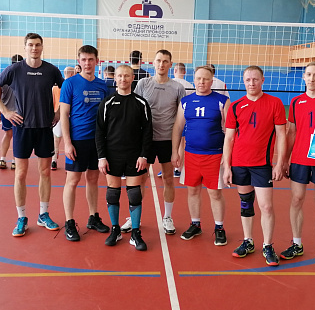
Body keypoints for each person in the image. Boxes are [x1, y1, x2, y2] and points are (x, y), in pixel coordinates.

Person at [0, 33, 64, 237]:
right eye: (30, 45)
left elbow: (66, 90)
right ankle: (21, 217)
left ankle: (43, 214)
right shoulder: (15, 69)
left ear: (42, 47)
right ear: (25, 47)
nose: (34, 48)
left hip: (44, 127)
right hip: (22, 128)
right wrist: (5, 111)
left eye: (37, 45)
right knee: (20, 173)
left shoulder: (51, 70)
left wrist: (58, 112)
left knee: (45, 172)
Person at [223, 66, 287, 266]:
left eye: (255, 79)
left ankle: (267, 245)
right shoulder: (236, 106)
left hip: (262, 164)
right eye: (248, 80)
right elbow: (229, 139)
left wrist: (279, 163)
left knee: (266, 206)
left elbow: (282, 135)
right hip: (240, 163)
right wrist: (227, 167)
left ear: (262, 80)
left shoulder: (275, 103)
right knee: (246, 203)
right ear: (243, 81)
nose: (251, 83)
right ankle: (248, 241)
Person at [279, 62, 315, 270]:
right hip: (299, 159)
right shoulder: (296, 102)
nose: (311, 79)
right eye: (308, 74)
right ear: (303, 77)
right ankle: (296, 244)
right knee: (296, 200)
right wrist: (285, 159)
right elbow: (292, 132)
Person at [121, 50, 186, 235]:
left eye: (165, 61)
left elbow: (181, 118)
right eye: (158, 61)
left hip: (167, 139)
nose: (161, 64)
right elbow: (134, 109)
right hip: (145, 140)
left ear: (170, 64)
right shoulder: (143, 83)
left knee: (168, 178)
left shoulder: (177, 87)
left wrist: (178, 149)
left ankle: (168, 217)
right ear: (153, 63)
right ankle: (134, 218)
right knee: (140, 179)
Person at [171, 65, 230, 245]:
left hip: (214, 154)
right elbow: (178, 127)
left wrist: (227, 156)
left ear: (212, 81)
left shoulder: (222, 101)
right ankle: (195, 224)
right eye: (198, 79)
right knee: (193, 190)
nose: (201, 82)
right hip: (191, 154)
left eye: (205, 79)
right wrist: (175, 152)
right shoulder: (186, 101)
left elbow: (230, 131)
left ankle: (219, 228)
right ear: (194, 80)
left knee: (215, 193)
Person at [96, 65, 153, 251]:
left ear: (132, 77)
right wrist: (102, 157)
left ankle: (135, 232)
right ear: (115, 78)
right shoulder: (107, 103)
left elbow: (148, 132)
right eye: (120, 76)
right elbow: (99, 132)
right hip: (112, 155)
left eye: (126, 76)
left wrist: (144, 155)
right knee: (112, 193)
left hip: (134, 156)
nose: (123, 79)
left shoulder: (141, 103)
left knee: (134, 193)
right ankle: (115, 230)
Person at [60, 45, 110, 241]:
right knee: (72, 180)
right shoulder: (70, 83)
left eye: (90, 59)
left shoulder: (102, 85)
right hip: (77, 140)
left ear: (97, 61)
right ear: (79, 61)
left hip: (97, 141)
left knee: (93, 179)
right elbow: (64, 114)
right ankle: (69, 222)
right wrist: (67, 143)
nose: (87, 63)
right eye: (84, 59)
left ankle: (93, 217)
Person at [0, 54, 23, 170]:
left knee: (7, 134)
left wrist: (0, 108)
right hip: (18, 112)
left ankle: (2, 159)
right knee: (17, 136)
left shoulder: (4, 75)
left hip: (6, 111)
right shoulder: (22, 76)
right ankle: (14, 161)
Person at [52, 66, 76, 171]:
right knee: (70, 140)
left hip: (57, 115)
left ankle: (54, 161)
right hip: (68, 116)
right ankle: (69, 164)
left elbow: (52, 102)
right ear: (71, 74)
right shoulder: (72, 86)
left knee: (56, 140)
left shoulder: (54, 88)